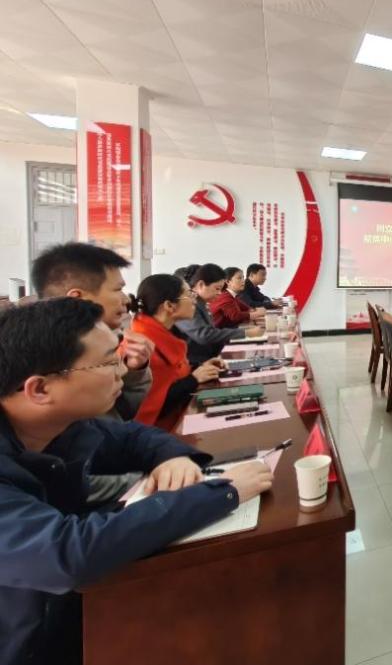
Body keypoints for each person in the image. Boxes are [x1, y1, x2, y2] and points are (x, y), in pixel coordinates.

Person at [0, 298, 273, 665]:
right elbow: (66, 553)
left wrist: (173, 457)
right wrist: (221, 492)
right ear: (40, 389)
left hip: (68, 613)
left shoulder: (62, 424)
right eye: (107, 362)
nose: (122, 370)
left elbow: (131, 437)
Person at [30, 242, 153, 422]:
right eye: (118, 289)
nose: (126, 299)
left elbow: (120, 415)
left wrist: (134, 371)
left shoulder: (102, 342)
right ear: (77, 298)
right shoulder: (47, 358)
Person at [130, 275, 227, 428]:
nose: (195, 300)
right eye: (189, 294)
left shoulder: (162, 332)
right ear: (169, 305)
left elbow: (174, 376)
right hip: (160, 430)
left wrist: (201, 368)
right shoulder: (141, 347)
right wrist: (193, 379)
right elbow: (153, 404)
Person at [176, 264, 262, 366]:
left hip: (209, 358)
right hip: (195, 364)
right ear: (200, 284)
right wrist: (245, 333)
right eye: (217, 289)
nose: (220, 293)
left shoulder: (202, 303)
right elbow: (204, 335)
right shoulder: (189, 305)